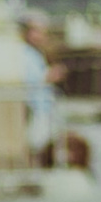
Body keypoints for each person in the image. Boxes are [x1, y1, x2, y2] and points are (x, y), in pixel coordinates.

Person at [19, 18, 62, 168]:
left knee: (42, 142)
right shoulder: (25, 53)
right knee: (36, 142)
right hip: (35, 106)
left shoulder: (36, 54)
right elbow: (29, 80)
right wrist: (50, 76)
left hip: (42, 105)